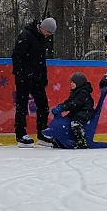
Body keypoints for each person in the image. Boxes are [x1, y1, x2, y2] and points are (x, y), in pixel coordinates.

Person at [11, 17, 57, 146]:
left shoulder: (42, 39)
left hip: (37, 79)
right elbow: (17, 56)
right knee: (22, 105)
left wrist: (43, 77)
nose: (49, 35)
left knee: (43, 106)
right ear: (42, 27)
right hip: (24, 78)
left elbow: (41, 61)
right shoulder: (26, 36)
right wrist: (21, 75)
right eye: (48, 32)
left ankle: (42, 133)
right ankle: (20, 134)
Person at [54, 72, 96, 149]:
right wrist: (60, 106)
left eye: (73, 82)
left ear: (79, 83)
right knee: (65, 122)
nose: (71, 84)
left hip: (85, 112)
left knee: (75, 123)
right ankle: (62, 139)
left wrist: (62, 108)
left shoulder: (83, 92)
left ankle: (82, 141)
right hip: (77, 112)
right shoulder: (75, 92)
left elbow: (74, 103)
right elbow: (69, 102)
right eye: (71, 82)